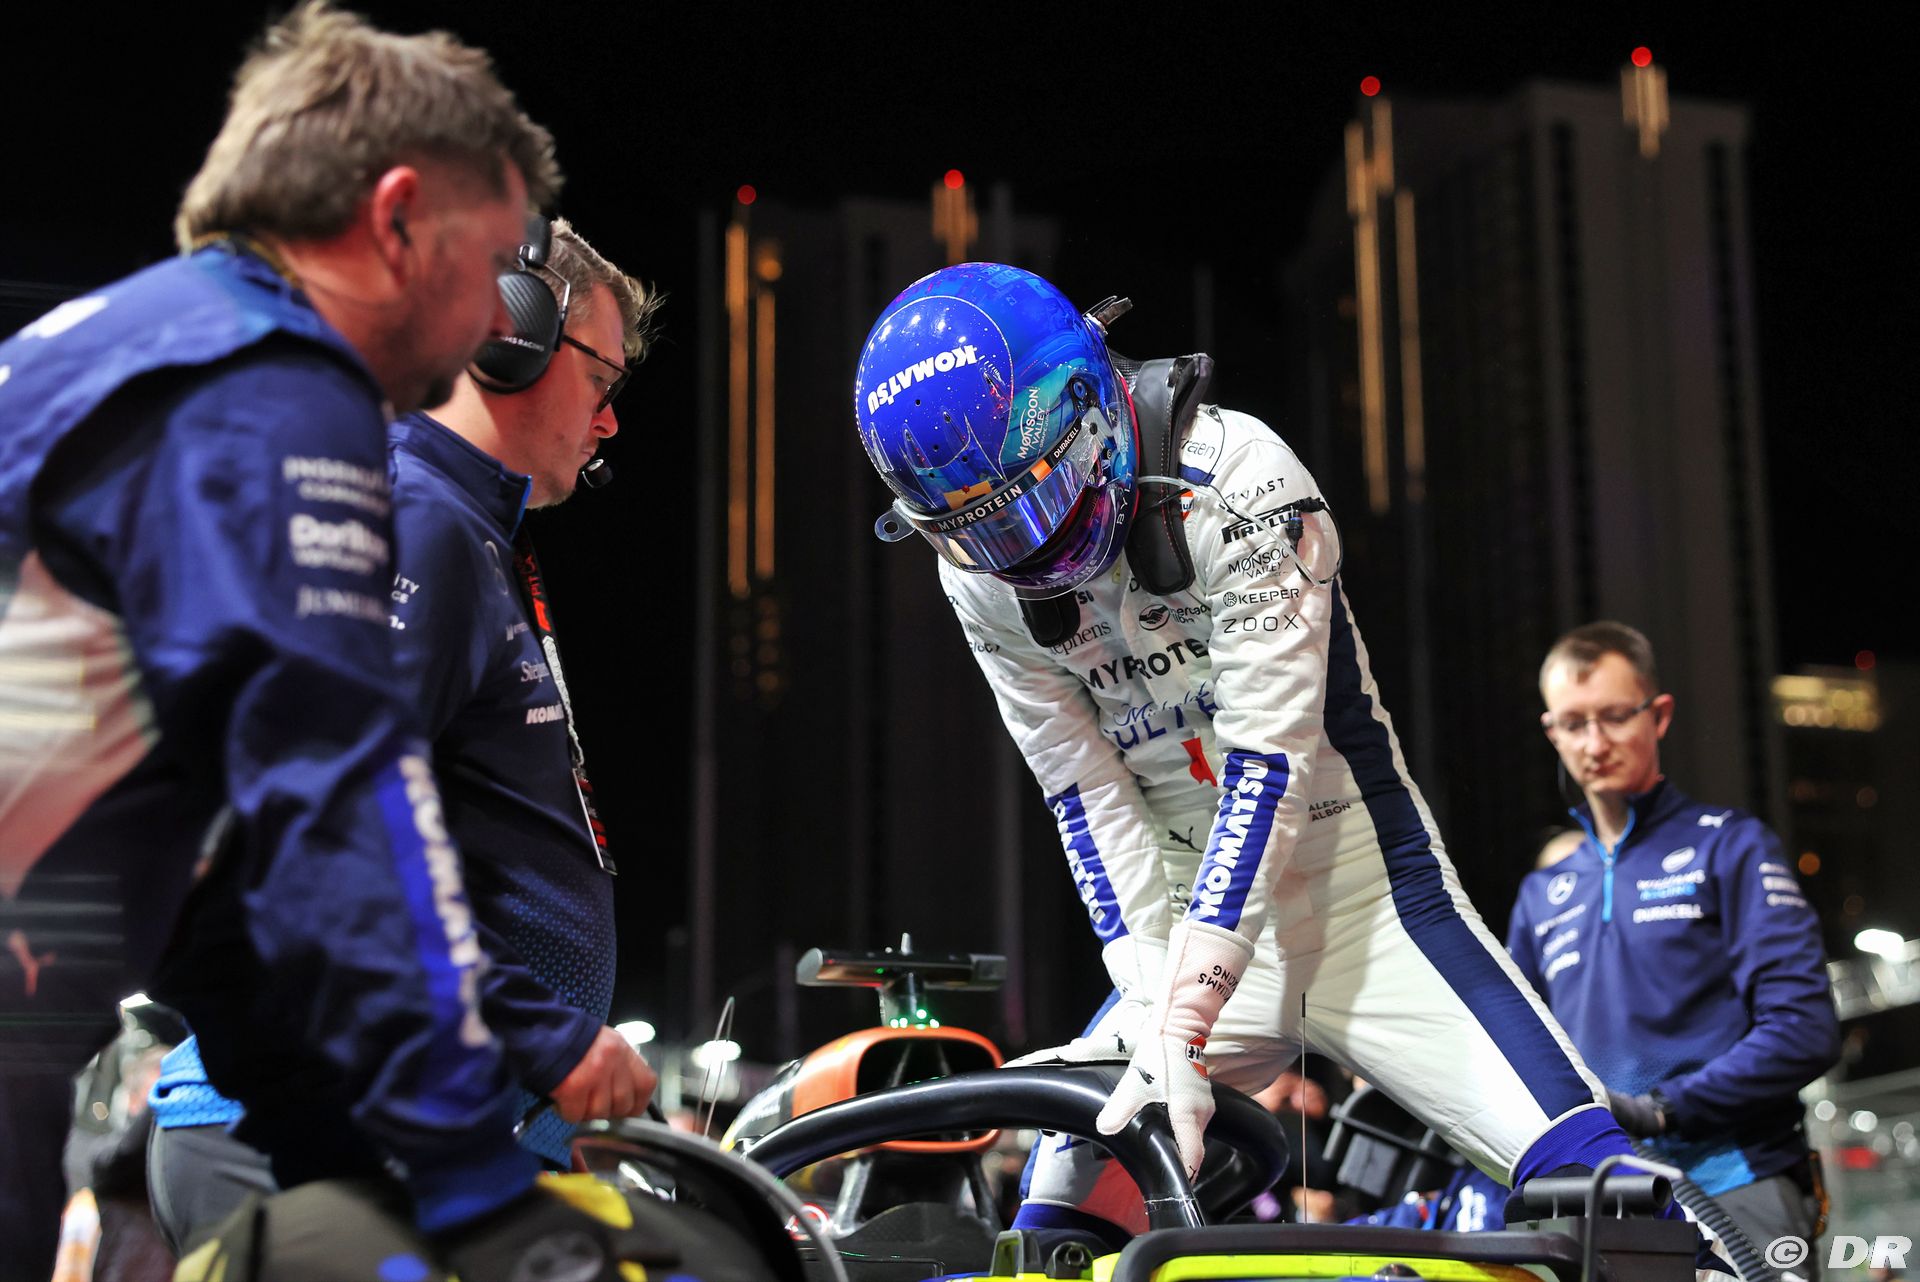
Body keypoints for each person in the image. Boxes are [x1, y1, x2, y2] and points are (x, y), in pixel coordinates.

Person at [850, 263, 1660, 1248]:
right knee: (1056, 1236)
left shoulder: (1241, 475)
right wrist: (1152, 996)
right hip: (1181, 929)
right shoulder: (977, 575)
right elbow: (1080, 788)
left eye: (1032, 498)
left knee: (1610, 1196)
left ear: (1091, 406)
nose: (1020, 547)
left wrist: (1184, 1017)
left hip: (1366, 906)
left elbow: (1267, 761)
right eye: (977, 527)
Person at [0, 5, 623, 1277]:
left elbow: (215, 877)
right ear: (397, 219)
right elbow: (333, 803)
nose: (490, 326)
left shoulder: (139, 350)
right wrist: (471, 1184)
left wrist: (342, 1147)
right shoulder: (277, 391)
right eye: (491, 264)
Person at [145, 217, 662, 1254]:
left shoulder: (453, 525)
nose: (609, 420)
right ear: (508, 333)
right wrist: (546, 1033)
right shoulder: (415, 521)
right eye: (602, 377)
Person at [1508, 621, 1839, 1270]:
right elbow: (1517, 1053)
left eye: (1615, 717)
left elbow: (1804, 1030)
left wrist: (1661, 1111)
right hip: (1599, 1201)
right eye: (1574, 723)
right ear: (1552, 732)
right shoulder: (1541, 893)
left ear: (1658, 715)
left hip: (1735, 1181)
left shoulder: (1731, 846)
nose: (1595, 743)